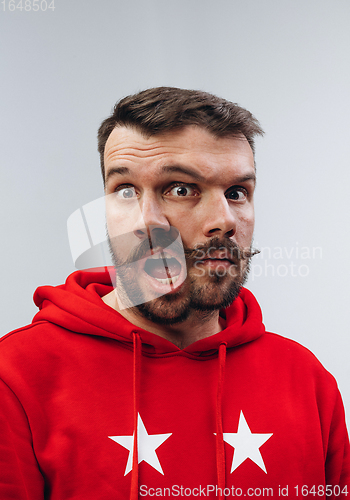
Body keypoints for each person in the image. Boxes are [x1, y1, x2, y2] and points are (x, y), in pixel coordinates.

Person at [0, 87, 349, 500]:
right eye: (182, 189)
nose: (225, 221)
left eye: (237, 192)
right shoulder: (16, 378)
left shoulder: (305, 379)